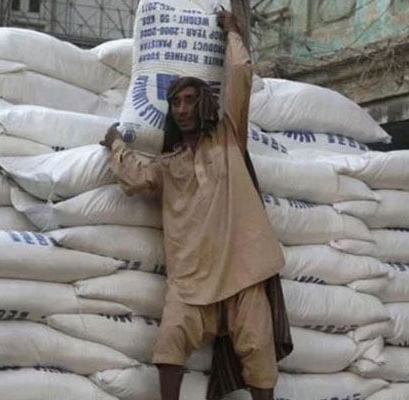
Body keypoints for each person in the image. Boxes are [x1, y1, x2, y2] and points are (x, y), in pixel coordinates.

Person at [100, 10, 292, 400]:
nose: (183, 109)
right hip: (191, 282)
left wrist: (232, 33)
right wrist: (115, 145)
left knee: (259, 351)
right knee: (169, 343)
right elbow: (136, 176)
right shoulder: (169, 166)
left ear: (204, 103)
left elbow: (240, 74)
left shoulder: (228, 139)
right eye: (176, 102)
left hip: (243, 274)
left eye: (190, 100)